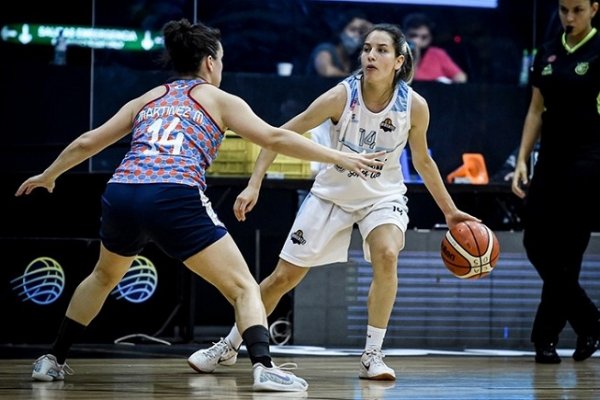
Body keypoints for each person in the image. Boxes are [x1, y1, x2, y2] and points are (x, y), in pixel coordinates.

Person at [15, 18, 384, 391]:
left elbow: (87, 142)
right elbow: (275, 137)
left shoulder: (149, 98)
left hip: (123, 192)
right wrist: (339, 156)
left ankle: (52, 359)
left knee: (102, 277)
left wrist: (50, 174)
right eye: (220, 60)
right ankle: (264, 367)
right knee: (243, 287)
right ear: (210, 62)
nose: (220, 66)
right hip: (173, 194)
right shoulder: (219, 99)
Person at [188, 23, 479, 380]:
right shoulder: (341, 96)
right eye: (367, 48)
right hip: (332, 195)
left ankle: (372, 355)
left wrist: (450, 212)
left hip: (382, 197)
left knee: (387, 254)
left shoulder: (414, 106)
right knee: (283, 278)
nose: (370, 55)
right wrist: (254, 181)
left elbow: (423, 161)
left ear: (399, 61)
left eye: (381, 50)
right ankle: (230, 345)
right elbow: (281, 134)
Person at [511, 0, 600, 364]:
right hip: (550, 158)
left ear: (594, 8)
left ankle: (544, 340)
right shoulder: (547, 52)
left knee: (568, 251)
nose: (569, 17)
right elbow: (536, 109)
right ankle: (590, 322)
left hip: (590, 158)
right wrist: (521, 158)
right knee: (535, 241)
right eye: (564, 10)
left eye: (578, 9)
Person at [402, 12, 467, 84]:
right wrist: (415, 55)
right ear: (405, 34)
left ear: (430, 38)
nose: (418, 41)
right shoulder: (397, 53)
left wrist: (445, 83)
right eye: (413, 36)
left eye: (424, 37)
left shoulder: (437, 53)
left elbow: (461, 77)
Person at [306, 10, 372, 77]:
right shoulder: (325, 49)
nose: (356, 35)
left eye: (360, 32)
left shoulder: (356, 58)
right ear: (341, 31)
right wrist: (353, 79)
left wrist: (371, 28)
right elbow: (326, 71)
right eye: (352, 29)